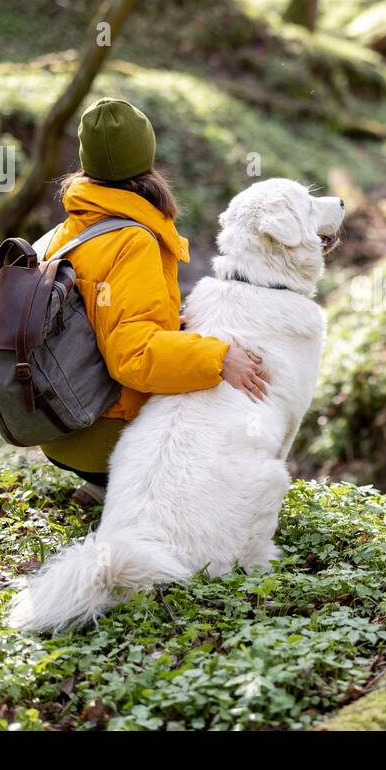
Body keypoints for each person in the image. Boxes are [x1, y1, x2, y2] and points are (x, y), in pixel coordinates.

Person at [36, 97, 268, 501]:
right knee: (225, 425)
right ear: (147, 154)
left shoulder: (70, 229)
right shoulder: (134, 240)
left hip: (58, 429)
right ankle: (121, 484)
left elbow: (103, 322)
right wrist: (217, 357)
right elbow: (133, 356)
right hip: (103, 438)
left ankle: (101, 487)